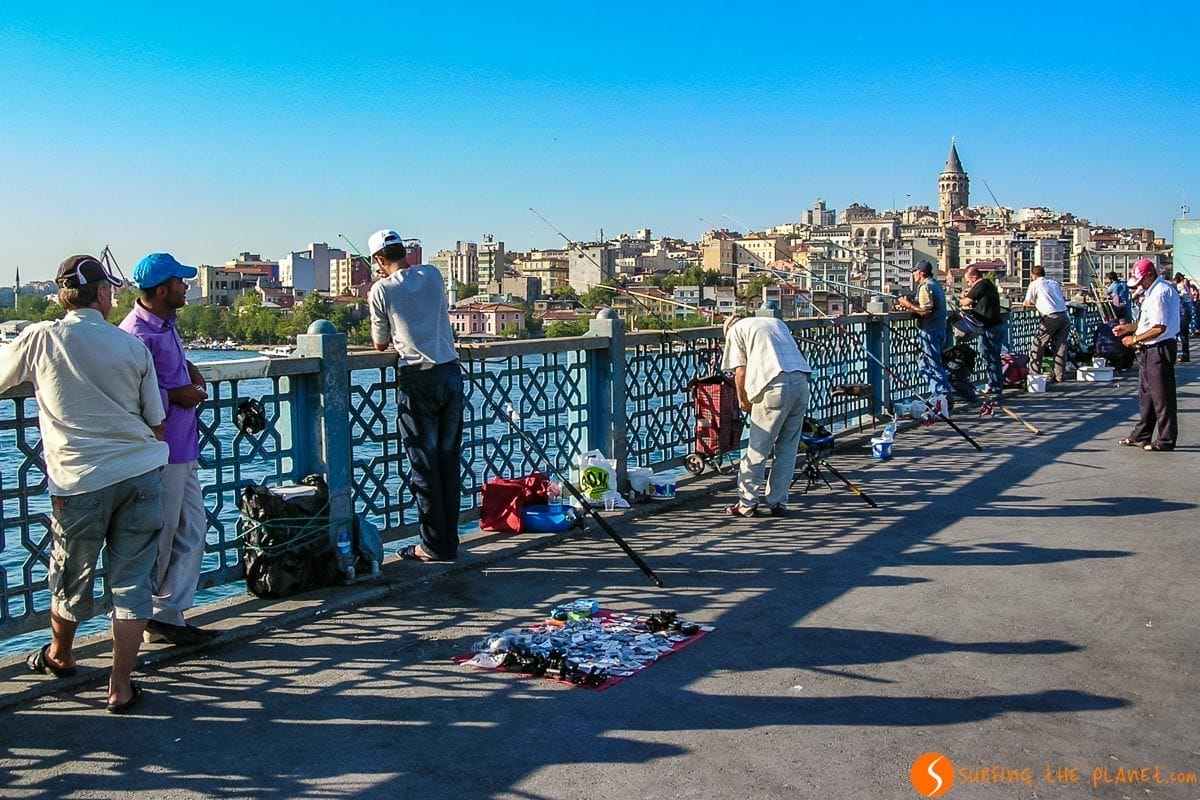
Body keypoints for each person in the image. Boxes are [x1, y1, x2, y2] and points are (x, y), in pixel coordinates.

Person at [0, 254, 169, 713]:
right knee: (131, 583)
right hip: (138, 473)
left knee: (70, 577)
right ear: (100, 295)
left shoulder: (40, 338)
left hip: (78, 482)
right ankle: (119, 687)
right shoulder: (133, 348)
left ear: (62, 297)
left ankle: (61, 654)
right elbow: (156, 420)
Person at [120, 252, 215, 646]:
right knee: (163, 534)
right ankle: (154, 617)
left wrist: (188, 369)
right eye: (180, 282)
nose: (186, 286)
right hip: (162, 450)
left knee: (193, 528)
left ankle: (169, 613)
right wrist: (179, 393)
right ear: (162, 290)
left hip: (183, 443)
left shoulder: (165, 323)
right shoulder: (136, 335)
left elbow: (167, 369)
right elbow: (132, 391)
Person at [367, 229, 463, 562]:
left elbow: (380, 343)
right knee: (448, 461)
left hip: (416, 379)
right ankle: (450, 542)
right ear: (403, 251)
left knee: (424, 465)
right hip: (450, 372)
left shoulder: (381, 290)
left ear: (379, 259)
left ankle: (432, 546)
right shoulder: (434, 275)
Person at [721, 311, 812, 518]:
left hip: (773, 387)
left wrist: (743, 400)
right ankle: (778, 501)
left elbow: (740, 372)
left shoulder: (735, 330)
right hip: (800, 383)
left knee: (757, 448)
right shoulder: (775, 321)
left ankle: (747, 502)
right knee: (787, 448)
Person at [1115, 258, 1180, 451]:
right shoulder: (1152, 292)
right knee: (1147, 395)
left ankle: (1166, 440)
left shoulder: (1159, 293)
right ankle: (1142, 434)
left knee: (1162, 396)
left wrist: (1134, 339)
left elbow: (1159, 327)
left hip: (1159, 348)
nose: (1139, 285)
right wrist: (1130, 328)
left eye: (1141, 280)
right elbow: (1149, 323)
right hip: (1150, 349)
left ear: (1150, 275)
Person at [896, 260, 951, 410]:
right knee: (924, 365)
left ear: (921, 273)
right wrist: (912, 303)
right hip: (940, 329)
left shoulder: (926, 287)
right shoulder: (936, 284)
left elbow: (926, 311)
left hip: (930, 331)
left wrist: (908, 305)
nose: (913, 274)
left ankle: (943, 397)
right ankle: (938, 395)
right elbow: (928, 305)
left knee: (934, 365)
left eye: (915, 271)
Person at [959, 266, 1006, 397]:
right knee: (994, 357)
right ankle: (996, 385)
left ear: (974, 277)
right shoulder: (988, 285)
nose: (968, 284)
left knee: (990, 357)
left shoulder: (981, 284)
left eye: (968, 281)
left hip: (989, 327)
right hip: (997, 325)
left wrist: (961, 298)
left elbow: (967, 301)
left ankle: (995, 387)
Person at [1022, 265, 1069, 384]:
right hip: (1063, 315)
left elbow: (1028, 302)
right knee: (1060, 347)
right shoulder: (1054, 283)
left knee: (1037, 346)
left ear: (1033, 275)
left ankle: (1034, 376)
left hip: (1050, 316)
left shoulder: (1034, 284)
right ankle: (1059, 376)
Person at [1173, 273, 1192, 363]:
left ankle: (1172, 355)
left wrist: (1177, 295)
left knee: (1176, 332)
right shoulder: (1185, 285)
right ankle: (1185, 355)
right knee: (1184, 335)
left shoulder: (1182, 285)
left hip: (1184, 312)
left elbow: (1182, 294)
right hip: (1187, 312)